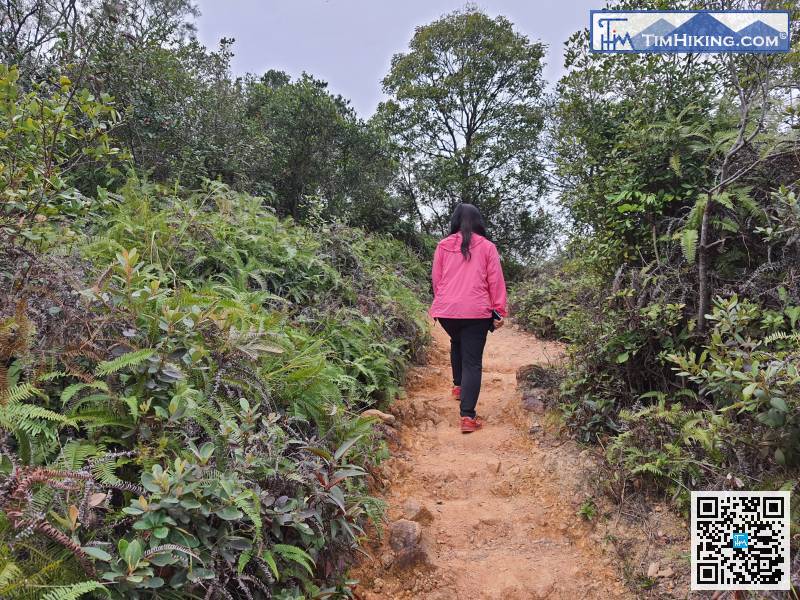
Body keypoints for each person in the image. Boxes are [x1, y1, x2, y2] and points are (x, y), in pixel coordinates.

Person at [429, 203, 507, 433]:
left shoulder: (442, 246)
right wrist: (499, 310)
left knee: (457, 341)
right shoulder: (488, 247)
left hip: (447, 311)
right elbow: (495, 280)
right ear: (479, 222)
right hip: (475, 311)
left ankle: (458, 386)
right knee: (472, 361)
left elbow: (436, 279)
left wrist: (444, 302)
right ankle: (468, 417)